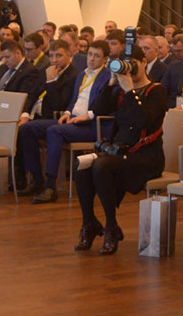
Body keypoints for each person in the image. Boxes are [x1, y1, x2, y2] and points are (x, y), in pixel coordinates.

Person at [73, 57, 170, 255]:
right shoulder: (121, 90)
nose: (130, 70)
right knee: (82, 165)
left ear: (144, 62)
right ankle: (89, 222)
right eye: (126, 64)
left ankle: (111, 226)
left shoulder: (156, 90)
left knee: (101, 166)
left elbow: (144, 120)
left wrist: (130, 91)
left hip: (146, 156)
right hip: (120, 152)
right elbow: (98, 109)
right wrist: (111, 83)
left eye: (134, 64)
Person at [17, 40, 116, 203]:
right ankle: (37, 179)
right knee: (28, 128)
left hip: (92, 125)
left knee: (54, 131)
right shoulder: (82, 74)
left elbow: (106, 105)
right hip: (73, 120)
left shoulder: (108, 77)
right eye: (90, 54)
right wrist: (68, 112)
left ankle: (50, 186)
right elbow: (74, 100)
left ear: (105, 59)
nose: (91, 59)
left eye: (97, 56)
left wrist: (86, 116)